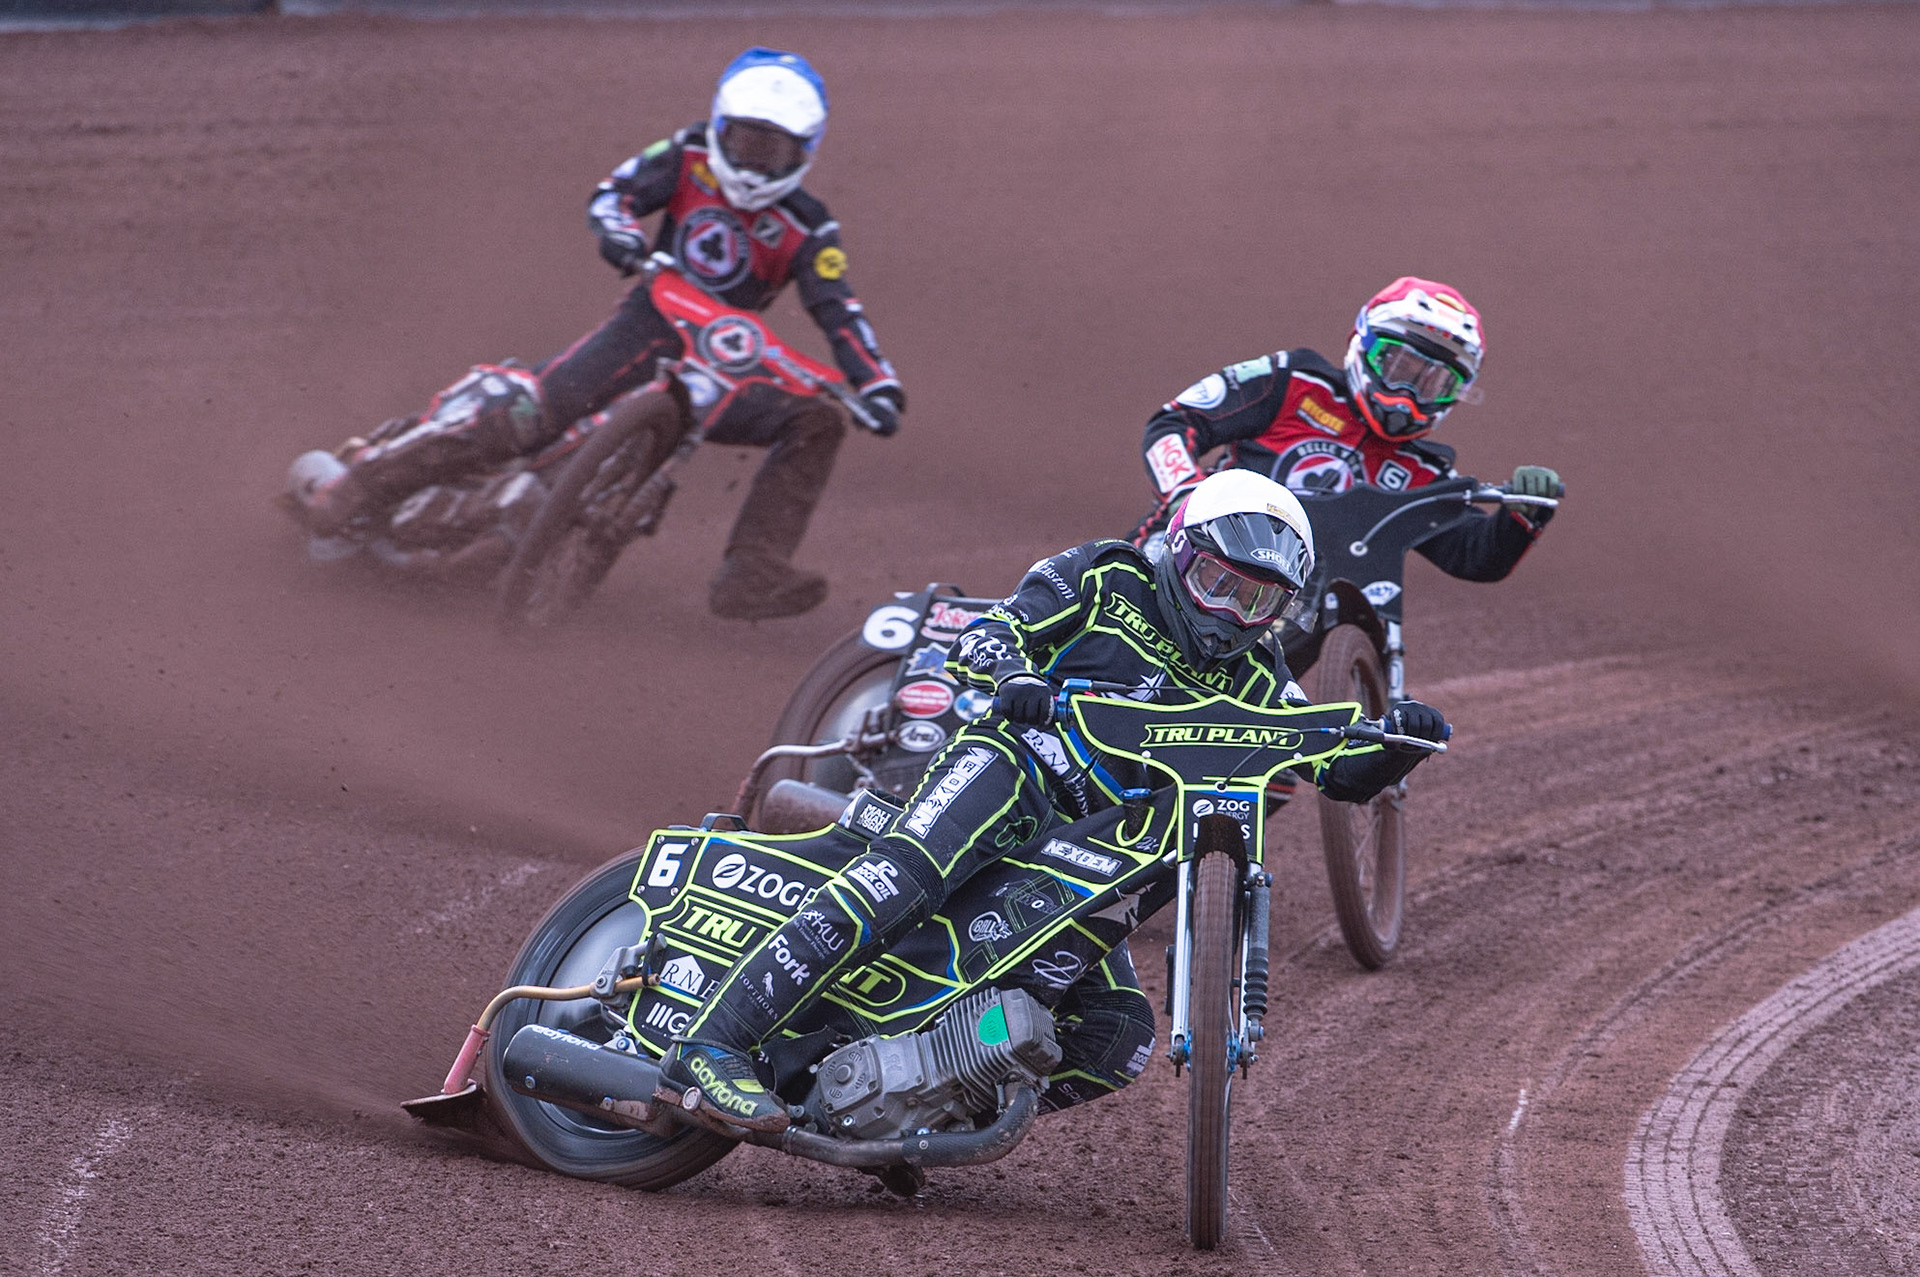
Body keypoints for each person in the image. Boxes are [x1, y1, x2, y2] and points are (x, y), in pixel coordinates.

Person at [658, 470, 1449, 1131]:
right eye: (1218, 585)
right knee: (902, 878)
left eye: (1257, 603)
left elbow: (1330, 768)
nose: (1228, 618)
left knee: (1117, 1038)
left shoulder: (1256, 676)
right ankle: (710, 1047)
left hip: (1089, 857)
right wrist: (1016, 678)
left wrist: (1392, 745)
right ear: (1182, 555)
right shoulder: (1108, 578)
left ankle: (917, 1104)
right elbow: (995, 631)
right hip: (1013, 770)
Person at [306, 48, 903, 620]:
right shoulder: (688, 154)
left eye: (772, 153)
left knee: (817, 421)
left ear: (806, 152)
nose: (753, 165)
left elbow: (838, 307)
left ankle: (752, 573)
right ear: (720, 129)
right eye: (745, 144)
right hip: (650, 322)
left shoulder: (811, 226)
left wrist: (875, 383)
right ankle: (360, 487)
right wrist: (618, 233)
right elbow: (614, 192)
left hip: (724, 364)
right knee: (534, 410)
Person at [1130, 277, 1559, 589]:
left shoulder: (1421, 472)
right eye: (1398, 367)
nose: (1406, 395)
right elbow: (1174, 424)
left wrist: (1523, 517)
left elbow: (1474, 556)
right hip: (1195, 550)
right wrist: (1188, 494)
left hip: (1298, 597)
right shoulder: (1294, 381)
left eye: (1431, 384)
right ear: (1362, 345)